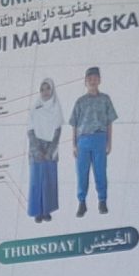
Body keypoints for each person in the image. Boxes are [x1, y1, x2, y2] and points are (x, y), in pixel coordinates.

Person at [70, 66, 117, 217]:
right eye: (89, 79)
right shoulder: (80, 101)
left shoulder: (105, 99)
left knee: (100, 172)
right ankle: (82, 203)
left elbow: (109, 122)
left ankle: (102, 201)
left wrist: (109, 142)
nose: (92, 81)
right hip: (83, 141)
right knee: (82, 173)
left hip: (99, 138)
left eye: (95, 78)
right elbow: (74, 124)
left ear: (99, 80)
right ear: (85, 81)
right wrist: (74, 145)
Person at [27, 79, 64, 222]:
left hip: (51, 149)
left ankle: (47, 211)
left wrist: (49, 152)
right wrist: (37, 150)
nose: (45, 92)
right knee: (36, 181)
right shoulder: (35, 108)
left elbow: (57, 131)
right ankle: (37, 212)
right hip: (35, 148)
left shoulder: (56, 108)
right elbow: (30, 130)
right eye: (42, 89)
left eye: (48, 88)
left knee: (49, 180)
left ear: (52, 90)